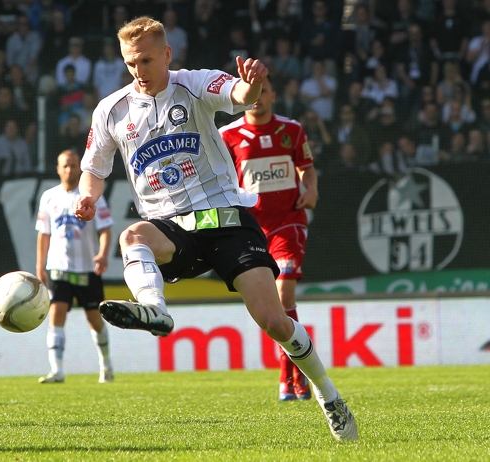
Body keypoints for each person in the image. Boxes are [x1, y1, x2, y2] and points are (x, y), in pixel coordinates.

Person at [74, 16, 358, 441]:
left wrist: (252, 84)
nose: (138, 70)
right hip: (171, 226)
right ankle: (156, 309)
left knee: (274, 321)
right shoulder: (111, 110)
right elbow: (93, 169)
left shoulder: (194, 83)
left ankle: (329, 396)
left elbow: (240, 96)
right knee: (131, 236)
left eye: (147, 60)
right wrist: (89, 196)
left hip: (224, 218)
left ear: (167, 54)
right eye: (130, 63)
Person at [219, 75, 318, 402]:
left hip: (289, 222)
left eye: (263, 91)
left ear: (273, 94)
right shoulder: (227, 135)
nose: (257, 98)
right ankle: (298, 377)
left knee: (283, 291)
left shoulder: (291, 130)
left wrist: (311, 188)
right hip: (252, 228)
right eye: (252, 92)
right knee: (276, 307)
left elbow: (306, 167)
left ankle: (288, 379)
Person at [36, 149, 114, 384]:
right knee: (56, 313)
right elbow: (44, 235)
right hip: (59, 268)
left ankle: (105, 365)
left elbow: (106, 228)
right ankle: (57, 370)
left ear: (80, 168)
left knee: (94, 319)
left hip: (87, 269)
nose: (69, 169)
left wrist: (102, 254)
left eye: (73, 165)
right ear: (58, 169)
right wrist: (40, 266)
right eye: (65, 165)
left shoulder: (90, 196)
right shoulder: (49, 197)